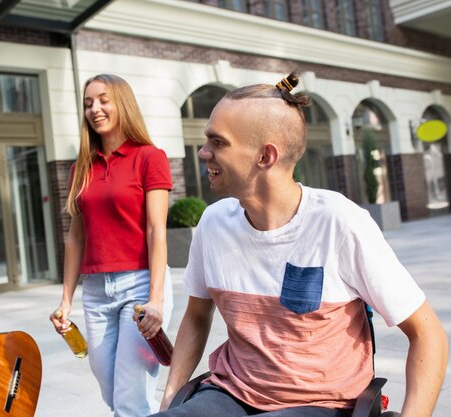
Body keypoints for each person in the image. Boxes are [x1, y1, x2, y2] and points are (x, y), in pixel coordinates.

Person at [152, 74, 449, 417]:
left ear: (265, 156)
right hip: (230, 393)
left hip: (320, 403)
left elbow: (428, 334)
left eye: (217, 142)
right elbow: (196, 316)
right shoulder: (213, 223)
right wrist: (170, 398)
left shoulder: (340, 222)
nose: (204, 152)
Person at [50, 73, 173, 417]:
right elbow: (76, 237)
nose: (95, 109)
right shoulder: (81, 168)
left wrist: (157, 299)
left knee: (130, 400)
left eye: (103, 100)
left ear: (122, 103)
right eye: (88, 103)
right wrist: (66, 300)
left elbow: (155, 231)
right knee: (111, 391)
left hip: (139, 286)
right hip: (96, 292)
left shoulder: (150, 157)